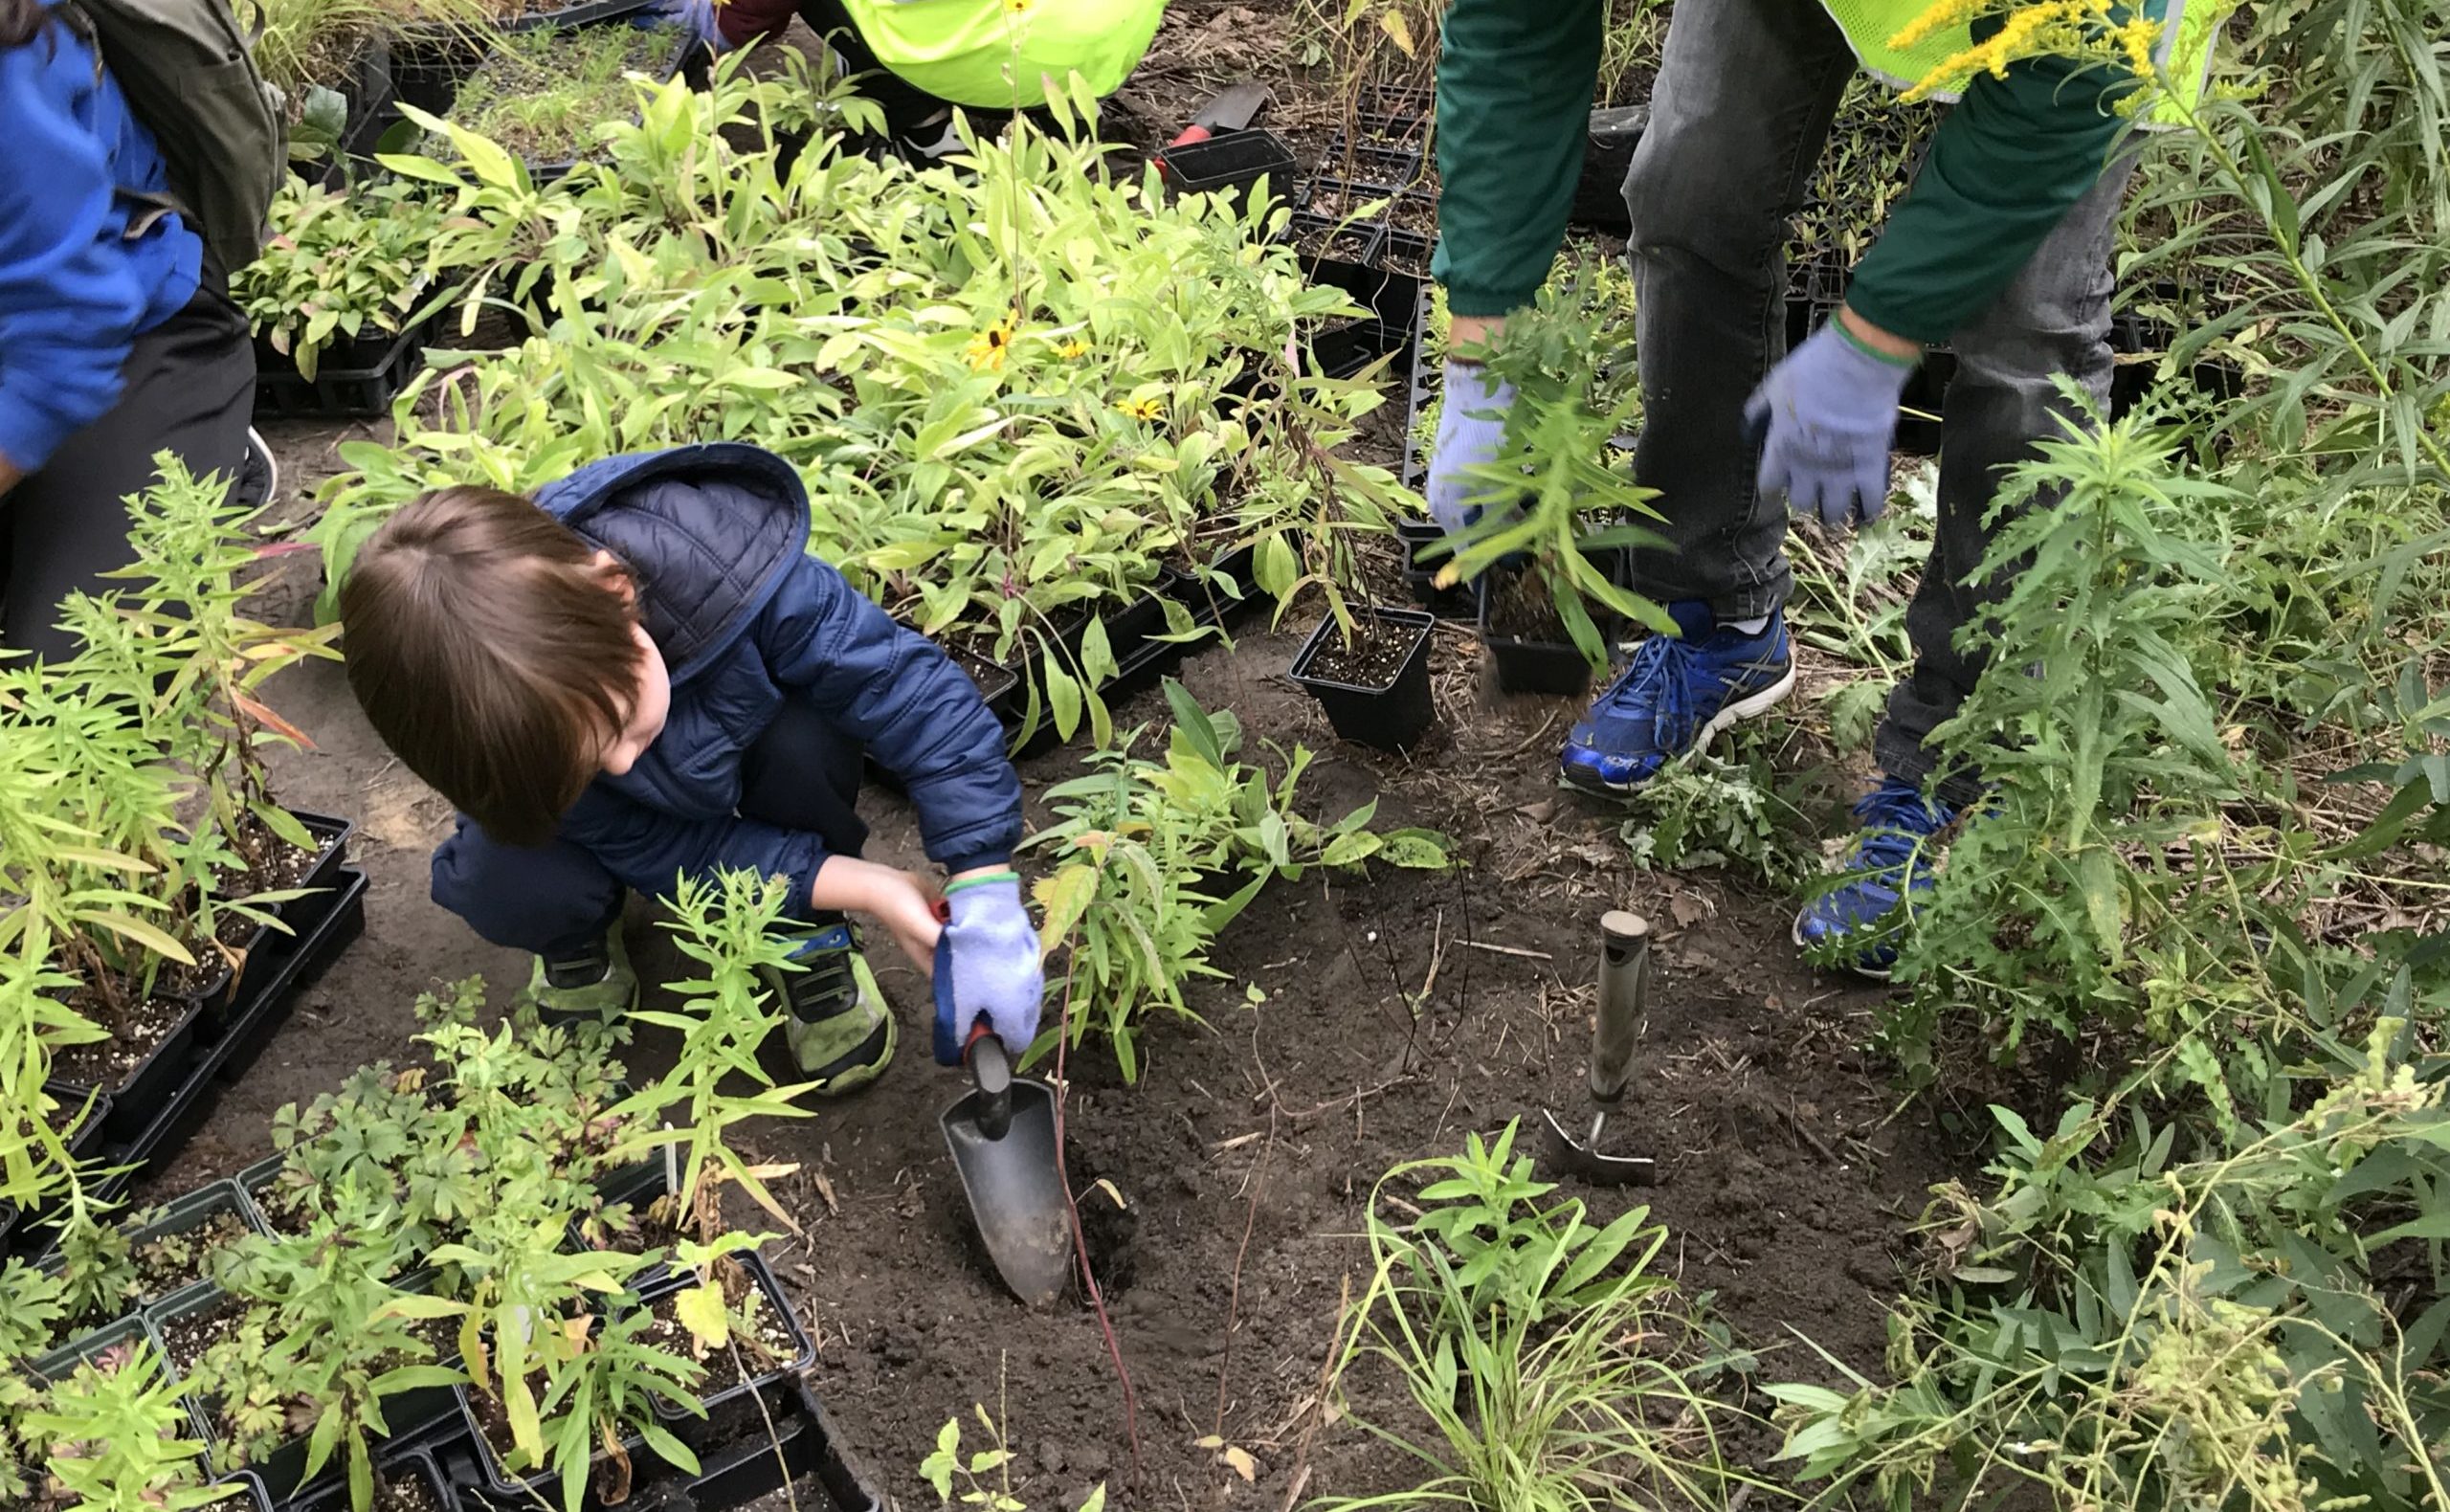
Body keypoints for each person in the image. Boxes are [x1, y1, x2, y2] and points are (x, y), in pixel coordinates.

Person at [1428, 0, 2218, 977]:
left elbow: (2071, 84)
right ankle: (1717, 616)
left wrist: (1877, 332)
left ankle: (1962, 767)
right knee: (1689, 196)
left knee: (2024, 322)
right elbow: (1514, 23)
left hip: (2078, 31)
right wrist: (1479, 354)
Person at [337, 443, 1043, 1092]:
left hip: (749, 767)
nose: (617, 760)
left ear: (616, 594)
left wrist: (981, 878)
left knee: (804, 737)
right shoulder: (510, 727)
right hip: (626, 828)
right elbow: (670, 852)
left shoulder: (734, 573)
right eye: (582, 767)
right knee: (502, 875)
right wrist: (875, 886)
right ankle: (575, 933)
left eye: (612, 722)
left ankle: (800, 931)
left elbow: (913, 698)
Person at [0, 0, 263, 660]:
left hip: (125, 326)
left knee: (80, 687)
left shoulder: (14, 54)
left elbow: (58, 337)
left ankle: (189, 439)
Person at [679, 0, 1165, 150]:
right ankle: (1068, 120)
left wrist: (693, 17)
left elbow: (738, 22)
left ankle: (929, 133)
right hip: (1113, 39)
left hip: (1011, 58)